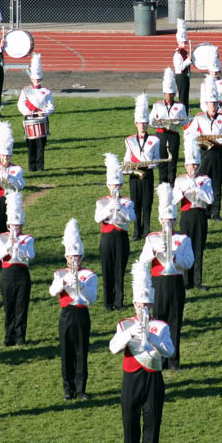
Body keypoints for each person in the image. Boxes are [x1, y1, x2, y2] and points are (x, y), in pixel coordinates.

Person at [109, 261, 174, 443]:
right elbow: (114, 348)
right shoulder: (124, 324)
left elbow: (170, 351)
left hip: (153, 376)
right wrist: (130, 334)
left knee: (153, 418)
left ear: (151, 305)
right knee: (130, 419)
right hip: (131, 376)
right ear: (134, 304)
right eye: (139, 305)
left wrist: (153, 337)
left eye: (146, 305)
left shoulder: (161, 326)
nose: (143, 308)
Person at [140, 183, 193, 371]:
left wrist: (176, 258)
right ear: (160, 219)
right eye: (165, 220)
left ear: (175, 220)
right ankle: (159, 359)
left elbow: (189, 262)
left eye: (171, 220)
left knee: (175, 320)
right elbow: (142, 260)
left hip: (175, 280)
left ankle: (174, 360)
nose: (167, 224)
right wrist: (154, 252)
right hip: (158, 282)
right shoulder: (152, 238)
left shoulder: (183, 239)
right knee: (158, 321)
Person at [49, 219, 98, 401]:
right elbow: (53, 291)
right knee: (66, 352)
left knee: (81, 351)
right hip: (66, 314)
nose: (74, 260)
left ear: (81, 257)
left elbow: (92, 298)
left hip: (81, 313)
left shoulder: (89, 275)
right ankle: (68, 389)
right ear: (66, 258)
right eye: (71, 257)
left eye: (77, 257)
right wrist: (65, 281)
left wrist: (81, 286)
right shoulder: (59, 273)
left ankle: (81, 388)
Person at [185, 75, 222, 220]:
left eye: (215, 103)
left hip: (218, 153)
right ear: (206, 103)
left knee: (217, 183)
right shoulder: (199, 118)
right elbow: (188, 133)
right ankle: (204, 210)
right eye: (211, 103)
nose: (213, 106)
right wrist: (199, 139)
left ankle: (216, 212)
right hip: (204, 153)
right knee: (202, 181)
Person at [95, 152, 136, 311]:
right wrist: (110, 208)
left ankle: (119, 302)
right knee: (107, 270)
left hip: (121, 237)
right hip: (106, 238)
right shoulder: (102, 202)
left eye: (118, 185)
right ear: (108, 185)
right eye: (113, 185)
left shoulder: (127, 202)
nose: (115, 188)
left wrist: (120, 210)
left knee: (119, 270)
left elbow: (131, 218)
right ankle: (107, 302)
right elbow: (98, 218)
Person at [173, 132, 213, 291]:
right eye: (191, 165)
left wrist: (197, 188)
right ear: (186, 166)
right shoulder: (180, 180)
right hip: (186, 215)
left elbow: (210, 199)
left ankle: (197, 281)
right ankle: (185, 280)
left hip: (200, 214)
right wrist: (183, 191)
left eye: (195, 165)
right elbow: (174, 199)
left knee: (198, 248)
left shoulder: (205, 179)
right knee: (185, 248)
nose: (193, 168)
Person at [0, 191, 34, 346]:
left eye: (18, 226)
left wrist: (18, 245)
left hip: (22, 274)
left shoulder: (27, 239)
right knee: (9, 307)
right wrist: (10, 245)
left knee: (21, 307)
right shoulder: (1, 238)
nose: (15, 229)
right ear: (8, 225)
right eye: (12, 226)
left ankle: (20, 336)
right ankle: (9, 336)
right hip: (7, 274)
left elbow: (30, 255)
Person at [124, 94, 161, 241]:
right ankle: (136, 232)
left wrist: (149, 164)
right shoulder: (130, 140)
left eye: (145, 123)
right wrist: (128, 168)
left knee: (147, 204)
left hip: (147, 173)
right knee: (135, 204)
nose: (143, 126)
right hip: (134, 174)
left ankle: (146, 231)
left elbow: (157, 159)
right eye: (140, 123)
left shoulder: (154, 140)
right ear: (136, 124)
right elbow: (127, 158)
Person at [150, 66, 188, 186]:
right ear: (164, 93)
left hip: (173, 134)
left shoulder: (180, 106)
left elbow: (185, 121)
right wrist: (159, 122)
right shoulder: (157, 105)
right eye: (167, 94)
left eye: (171, 94)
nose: (169, 96)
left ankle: (172, 183)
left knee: (173, 160)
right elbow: (151, 121)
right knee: (162, 160)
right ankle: (162, 182)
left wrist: (178, 121)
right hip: (160, 135)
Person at [17, 53, 54, 172]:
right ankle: (31, 166)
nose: (36, 81)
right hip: (29, 119)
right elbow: (20, 104)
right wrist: (28, 112)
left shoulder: (46, 91)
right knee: (30, 144)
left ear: (41, 79)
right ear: (31, 79)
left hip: (42, 120)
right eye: (35, 79)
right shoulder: (25, 90)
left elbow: (51, 106)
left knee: (41, 144)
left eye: (38, 79)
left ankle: (40, 166)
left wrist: (44, 113)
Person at [0, 121, 24, 237]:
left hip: (12, 201)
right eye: (3, 155)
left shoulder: (17, 169)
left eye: (8, 155)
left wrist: (10, 179)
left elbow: (21, 185)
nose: (5, 158)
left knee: (13, 230)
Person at [172, 19, 191, 108]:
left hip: (185, 76)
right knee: (183, 98)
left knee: (185, 97)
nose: (184, 43)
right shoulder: (177, 54)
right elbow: (180, 67)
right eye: (182, 41)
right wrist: (189, 60)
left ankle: (185, 113)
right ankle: (183, 114)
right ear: (178, 41)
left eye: (184, 41)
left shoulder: (183, 51)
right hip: (181, 76)